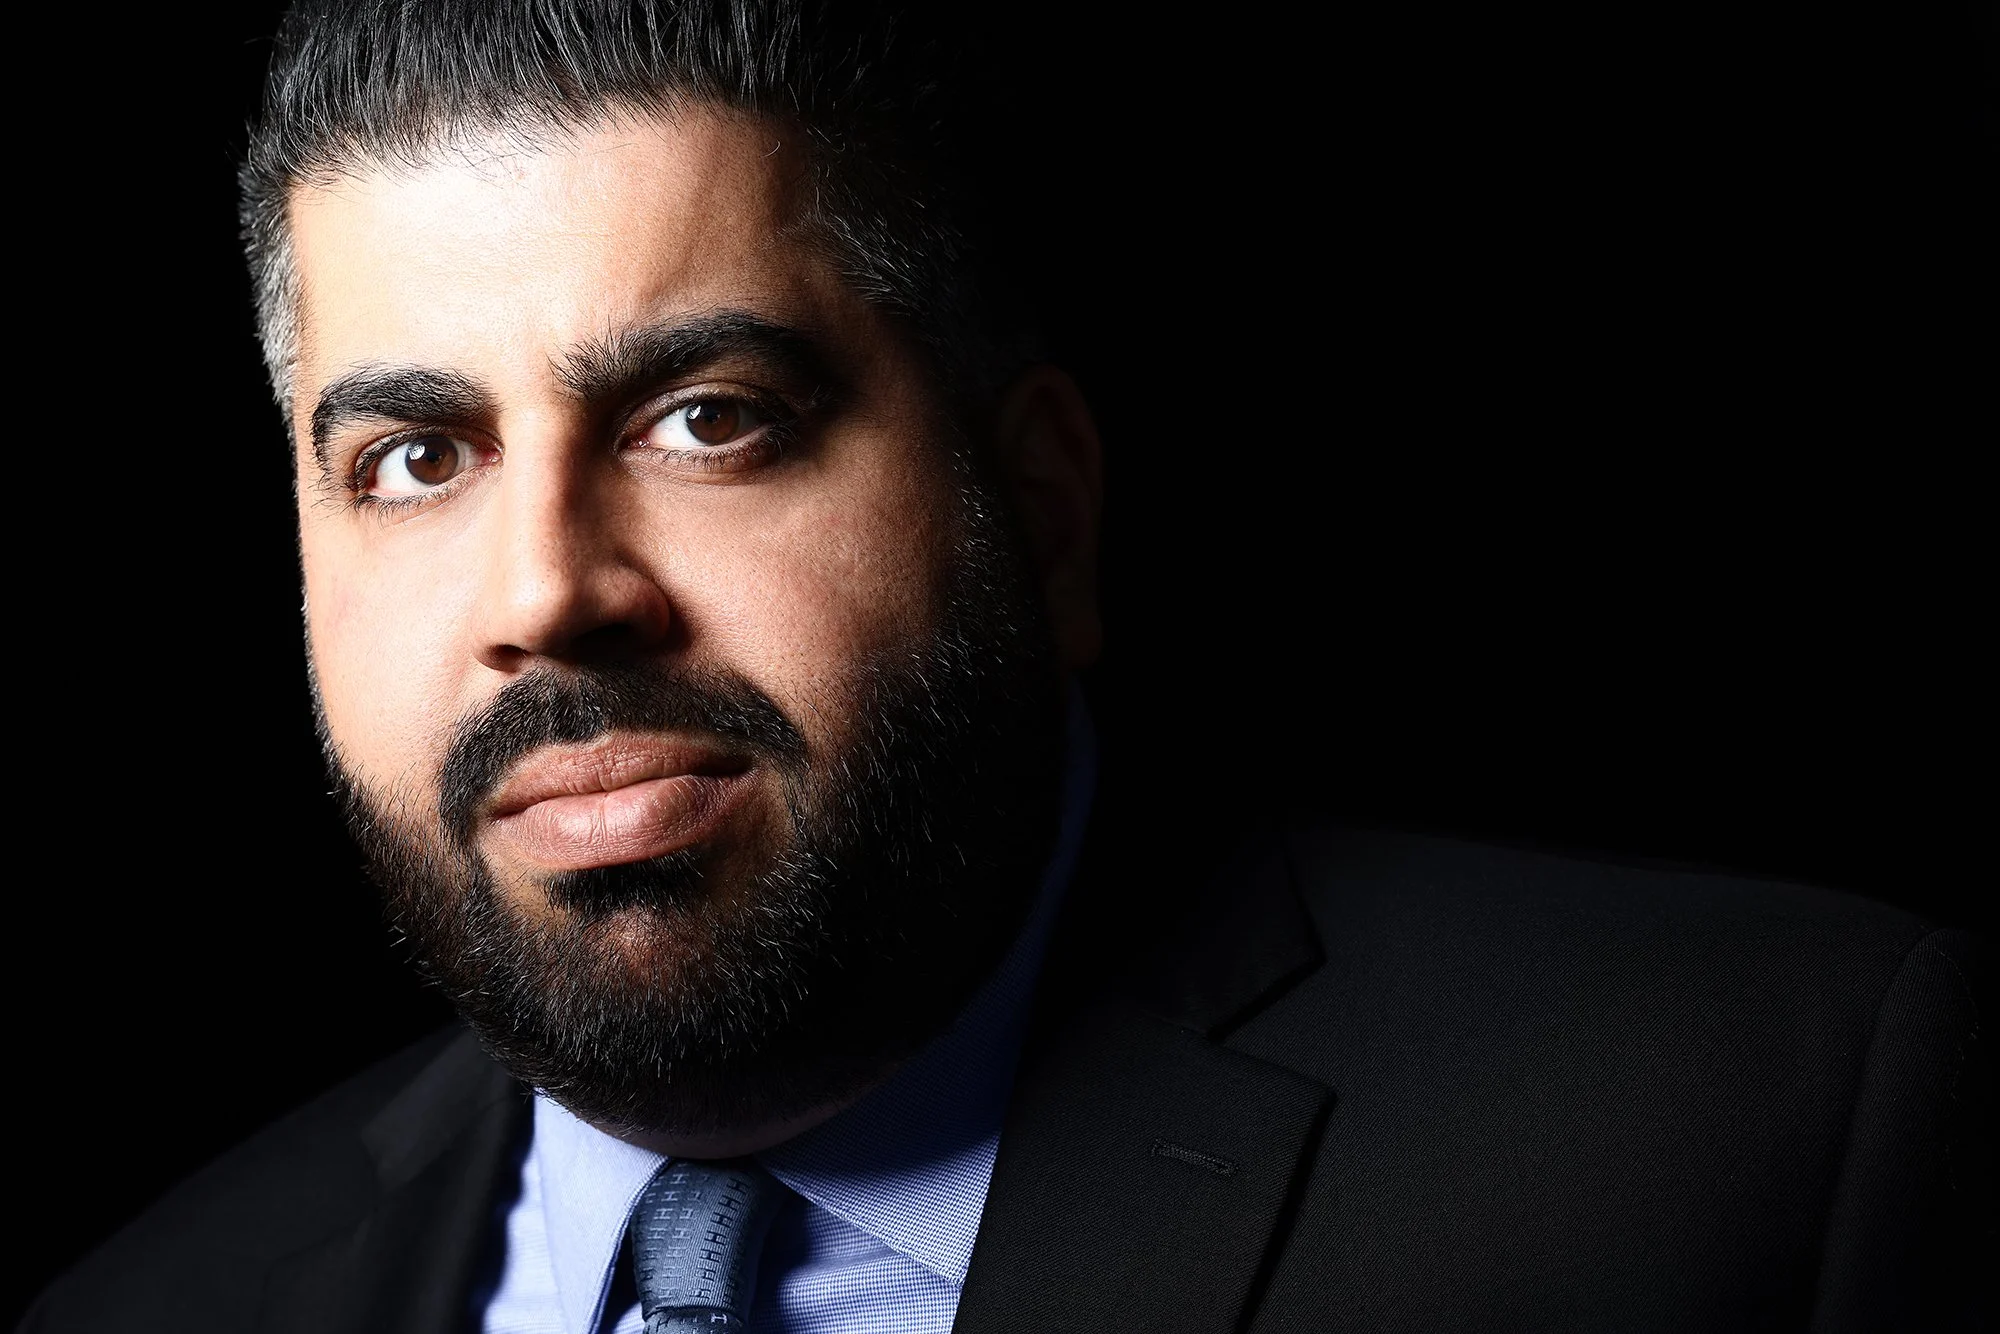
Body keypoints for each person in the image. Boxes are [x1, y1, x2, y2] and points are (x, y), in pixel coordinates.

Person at [22, 1, 1991, 1330]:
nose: (546, 590)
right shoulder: (148, 1308)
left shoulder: (1764, 1131)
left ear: (1036, 509)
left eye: (710, 417)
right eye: (415, 458)